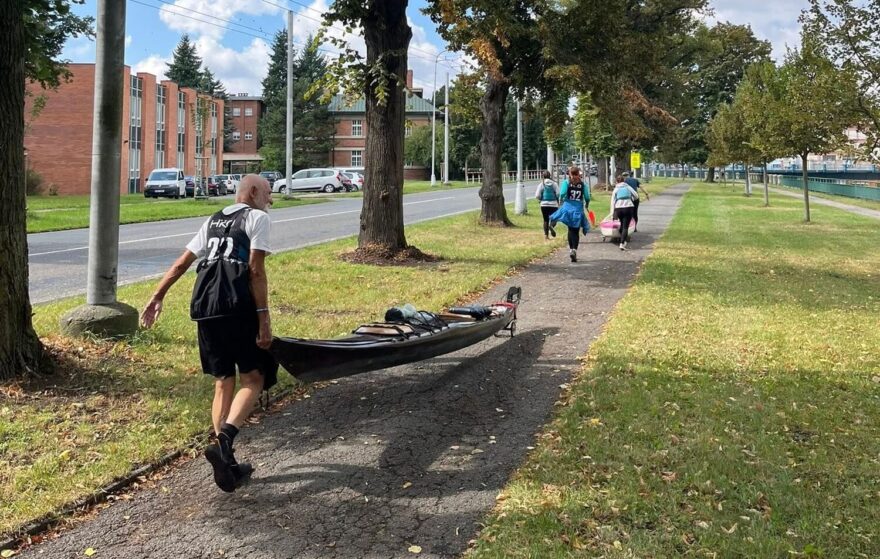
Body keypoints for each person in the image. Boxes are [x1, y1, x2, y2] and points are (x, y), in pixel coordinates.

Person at [140, 174, 277, 493]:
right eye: (268, 193)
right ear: (253, 192)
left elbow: (181, 264)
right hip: (237, 305)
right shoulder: (256, 218)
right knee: (253, 377)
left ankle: (227, 465)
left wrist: (157, 295)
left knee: (222, 382)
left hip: (205, 307)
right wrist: (264, 318)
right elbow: (256, 270)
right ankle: (225, 439)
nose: (270, 200)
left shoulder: (212, 220)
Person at [549, 166, 591, 262]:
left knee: (570, 229)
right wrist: (587, 204)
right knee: (575, 231)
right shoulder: (583, 184)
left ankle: (553, 223)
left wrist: (561, 199)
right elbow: (587, 197)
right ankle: (574, 250)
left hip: (567, 209)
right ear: (578, 174)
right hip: (578, 210)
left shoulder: (566, 182)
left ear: (570, 174)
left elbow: (562, 193)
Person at [612, 174, 638, 251]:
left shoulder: (616, 189)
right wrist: (631, 198)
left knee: (622, 224)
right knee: (625, 226)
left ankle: (623, 239)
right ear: (624, 180)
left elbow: (613, 201)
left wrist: (613, 212)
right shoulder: (627, 187)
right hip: (628, 207)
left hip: (619, 208)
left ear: (617, 181)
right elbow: (636, 196)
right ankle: (622, 243)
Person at [534, 170, 560, 240]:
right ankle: (551, 226)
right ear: (550, 176)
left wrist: (541, 198)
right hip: (553, 204)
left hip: (544, 205)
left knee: (545, 220)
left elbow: (537, 195)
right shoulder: (554, 184)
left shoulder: (541, 184)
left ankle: (546, 236)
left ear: (543, 176)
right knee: (555, 218)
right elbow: (558, 194)